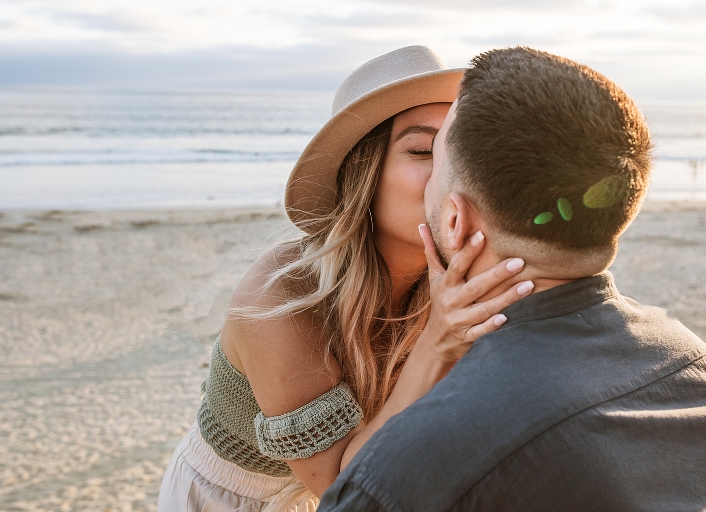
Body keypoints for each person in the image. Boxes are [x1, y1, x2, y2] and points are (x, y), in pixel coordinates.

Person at [318, 47, 706, 511]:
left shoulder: (404, 472)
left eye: (438, 160)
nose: (429, 177)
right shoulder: (702, 376)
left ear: (455, 222)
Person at [158, 46, 534, 512]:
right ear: (363, 175)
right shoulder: (282, 296)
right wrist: (439, 339)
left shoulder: (456, 277)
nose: (452, 174)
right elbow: (342, 487)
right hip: (234, 498)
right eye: (423, 151)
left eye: (459, 152)